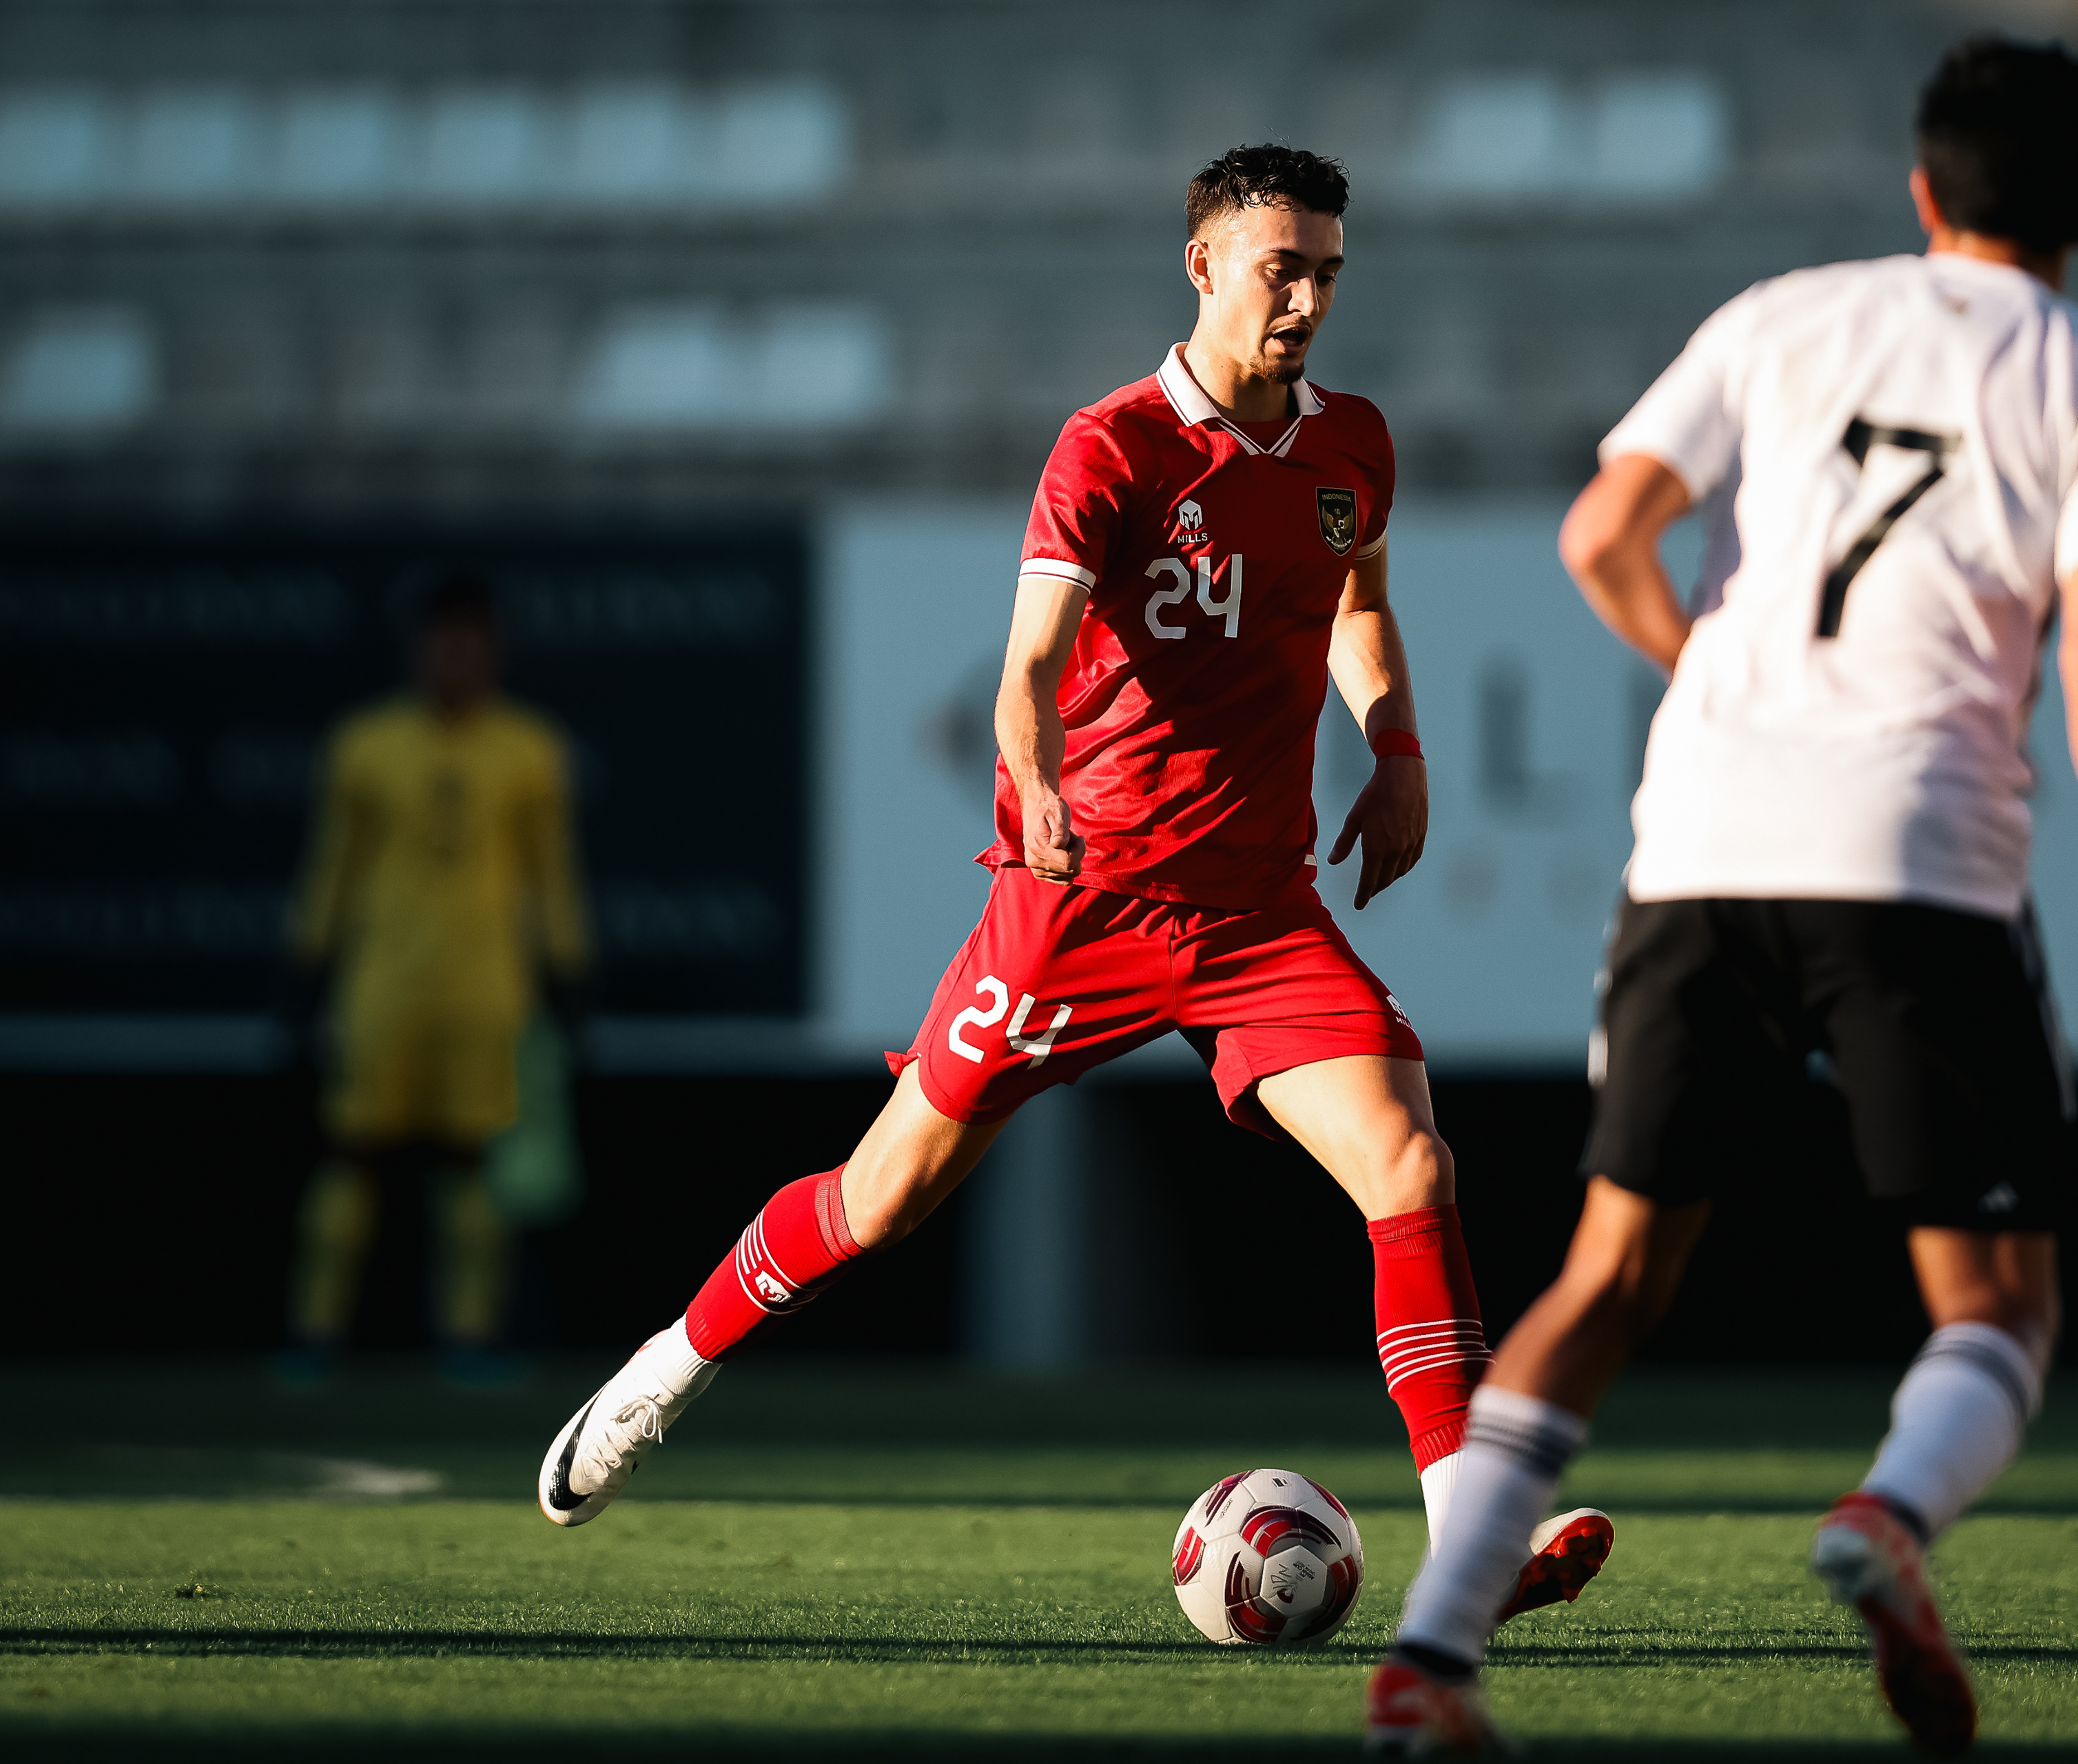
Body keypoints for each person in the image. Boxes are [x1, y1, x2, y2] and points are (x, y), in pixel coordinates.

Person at [533, 145, 1612, 1624]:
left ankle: (1474, 1540)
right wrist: (1034, 776)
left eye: (1326, 273)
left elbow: (1357, 601)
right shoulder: (1112, 447)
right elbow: (1029, 666)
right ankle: (663, 1370)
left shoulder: (1354, 445)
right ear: (1205, 265)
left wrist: (1400, 746)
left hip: (1257, 912)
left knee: (1412, 1168)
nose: (1306, 300)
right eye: (1280, 269)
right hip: (1080, 902)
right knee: (882, 1197)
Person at [1365, 38, 2078, 1758]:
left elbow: (1601, 534)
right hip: (1920, 854)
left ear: (1921, 185)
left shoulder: (1782, 314)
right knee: (1997, 1299)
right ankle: (1889, 1513)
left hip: (1701, 835)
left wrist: (1708, 673)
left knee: (1609, 1268)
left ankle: (1428, 1657)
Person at [282, 572, 591, 1385]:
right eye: (443, 639)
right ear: (418, 648)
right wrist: (308, 962)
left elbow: (551, 874)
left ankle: (469, 1334)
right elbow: (332, 867)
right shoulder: (364, 746)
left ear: (494, 649)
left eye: (471, 640)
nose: (456, 656)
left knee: (471, 1162)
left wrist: (569, 968)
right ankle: (314, 1331)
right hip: (380, 988)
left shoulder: (529, 749)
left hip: (485, 991)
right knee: (351, 1154)